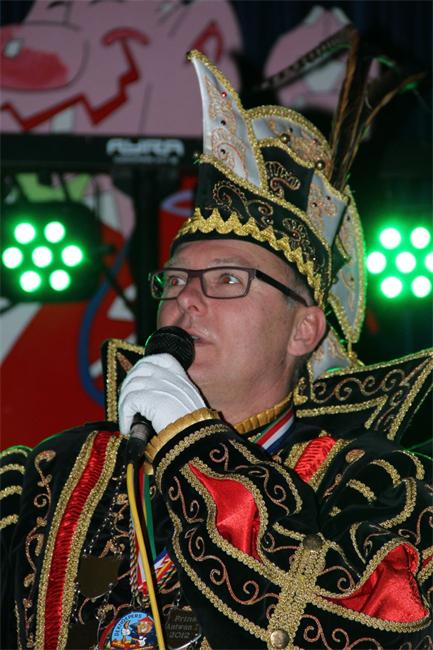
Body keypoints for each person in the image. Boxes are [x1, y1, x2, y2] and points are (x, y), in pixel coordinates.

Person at [1, 45, 432, 650]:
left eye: (228, 279)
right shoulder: (52, 476)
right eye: (174, 279)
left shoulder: (379, 484)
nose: (186, 299)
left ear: (304, 330)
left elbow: (366, 620)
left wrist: (195, 446)